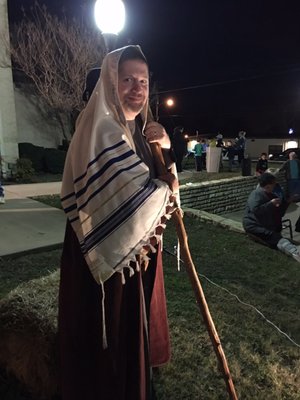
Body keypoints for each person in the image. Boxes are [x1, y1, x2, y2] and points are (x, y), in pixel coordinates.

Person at [58, 45, 179, 400]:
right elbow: (135, 195)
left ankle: (136, 382)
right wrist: (166, 187)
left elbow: (164, 187)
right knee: (107, 331)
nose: (137, 88)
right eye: (127, 79)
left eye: (143, 81)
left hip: (135, 256)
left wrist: (168, 148)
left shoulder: (143, 133)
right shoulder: (98, 129)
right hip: (106, 255)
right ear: (111, 83)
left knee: (133, 328)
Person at [243, 172, 300, 261]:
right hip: (254, 225)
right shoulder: (256, 194)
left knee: (275, 235)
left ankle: (291, 248)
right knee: (274, 237)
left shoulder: (272, 195)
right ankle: (295, 252)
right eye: (273, 184)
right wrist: (271, 204)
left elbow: (280, 213)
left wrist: (288, 201)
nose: (275, 186)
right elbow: (256, 210)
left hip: (267, 225)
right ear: (268, 185)